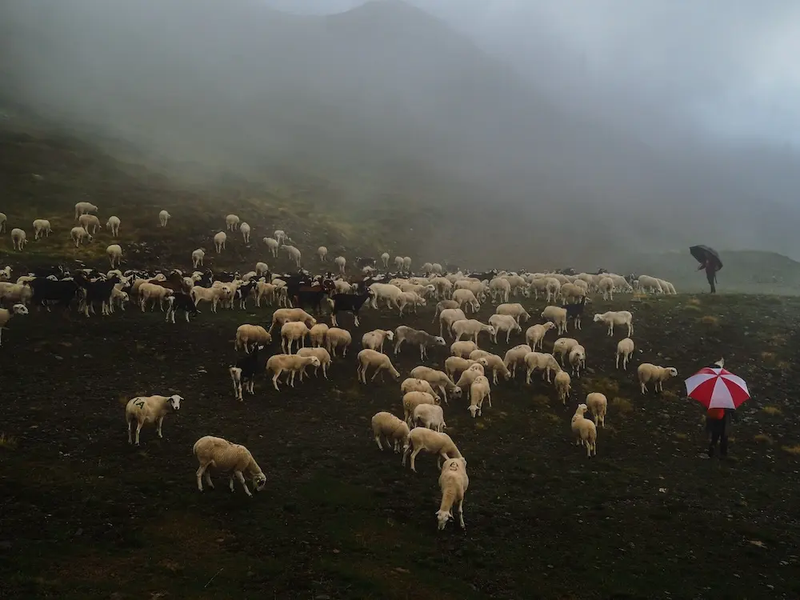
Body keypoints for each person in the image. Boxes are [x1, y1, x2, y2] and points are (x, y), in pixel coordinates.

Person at [703, 359, 737, 458]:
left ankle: (711, 450)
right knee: (724, 435)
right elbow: (730, 403)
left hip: (713, 412)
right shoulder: (727, 382)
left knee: (714, 434)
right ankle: (723, 453)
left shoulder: (708, 383)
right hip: (725, 415)